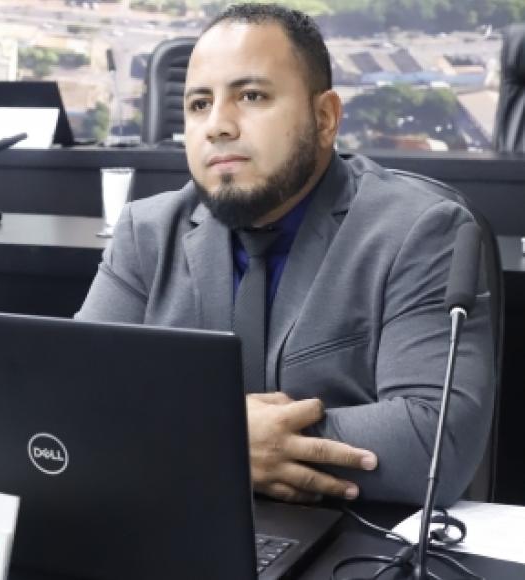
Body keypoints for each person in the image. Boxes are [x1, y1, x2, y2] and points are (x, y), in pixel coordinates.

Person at [76, 3, 493, 506]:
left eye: (251, 96)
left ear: (325, 118)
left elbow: (434, 442)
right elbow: (74, 406)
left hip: (345, 540)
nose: (217, 125)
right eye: (199, 104)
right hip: (180, 526)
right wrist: (219, 438)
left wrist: (184, 437)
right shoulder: (145, 232)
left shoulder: (418, 229)